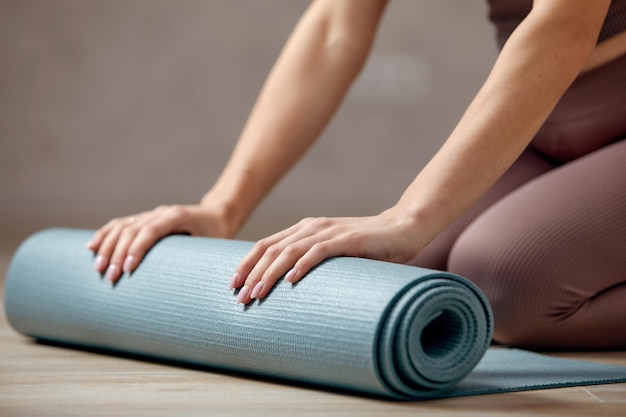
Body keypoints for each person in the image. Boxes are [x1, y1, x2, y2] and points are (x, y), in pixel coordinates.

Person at [86, 0, 626, 349]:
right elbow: (334, 27)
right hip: (553, 126)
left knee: (509, 285)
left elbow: (564, 25)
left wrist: (408, 217)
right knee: (409, 286)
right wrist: (223, 207)